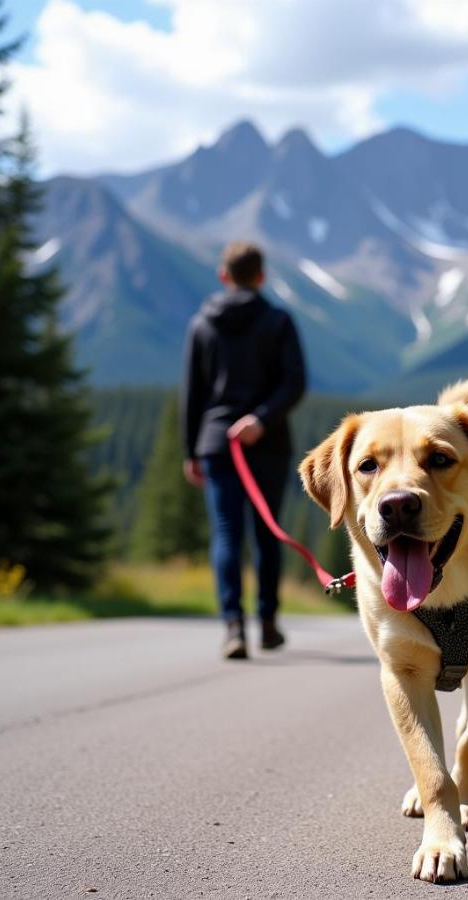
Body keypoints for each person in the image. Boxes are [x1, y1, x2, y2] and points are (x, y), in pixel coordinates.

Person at [181, 241, 306, 659]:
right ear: (261, 276)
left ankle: (233, 626)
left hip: (216, 444)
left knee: (226, 534)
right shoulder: (277, 320)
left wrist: (190, 451)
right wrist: (261, 418)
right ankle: (268, 624)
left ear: (223, 275)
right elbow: (294, 382)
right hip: (267, 443)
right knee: (267, 532)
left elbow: (193, 395)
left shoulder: (202, 324)